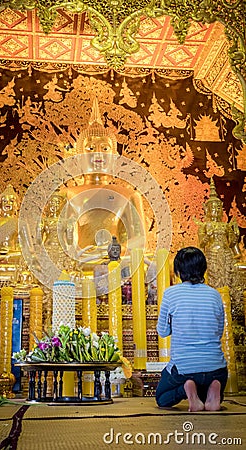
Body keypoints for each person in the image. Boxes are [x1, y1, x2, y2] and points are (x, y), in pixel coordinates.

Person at [62, 97, 147, 262]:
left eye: (105, 148)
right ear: (79, 157)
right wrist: (78, 254)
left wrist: (114, 250)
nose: (98, 154)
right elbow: (56, 238)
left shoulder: (130, 195)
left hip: (114, 263)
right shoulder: (65, 194)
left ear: (114, 157)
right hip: (78, 265)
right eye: (91, 148)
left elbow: (141, 241)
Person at [155, 246, 228, 412]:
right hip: (217, 368)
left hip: (184, 367)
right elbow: (219, 332)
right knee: (208, 384)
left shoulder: (171, 294)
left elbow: (163, 331)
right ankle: (212, 393)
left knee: (162, 398)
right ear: (203, 268)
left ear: (178, 270)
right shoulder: (215, 295)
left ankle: (186, 389)